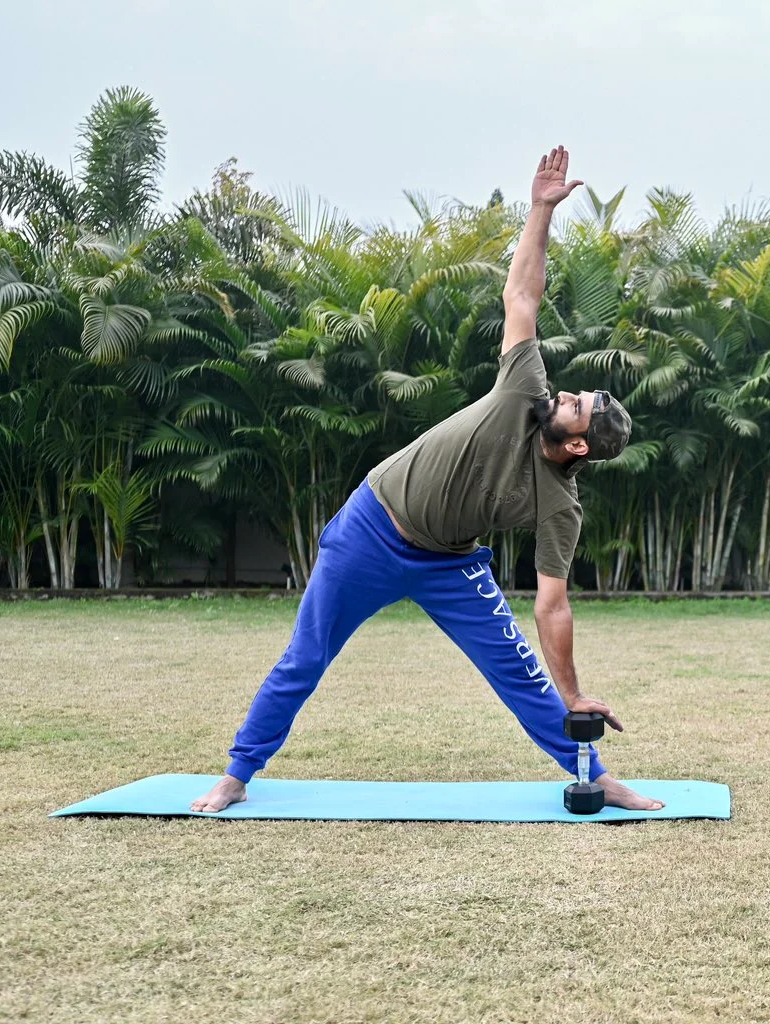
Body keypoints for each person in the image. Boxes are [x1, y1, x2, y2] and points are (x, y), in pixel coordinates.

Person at [192, 146, 664, 813]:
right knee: (304, 659)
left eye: (576, 404)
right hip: (372, 528)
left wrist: (573, 693)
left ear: (579, 442)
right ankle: (237, 774)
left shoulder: (560, 504)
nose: (565, 394)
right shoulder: (523, 387)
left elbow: (552, 606)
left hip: (450, 565)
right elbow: (522, 293)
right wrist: (539, 211)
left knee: (518, 675)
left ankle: (598, 776)